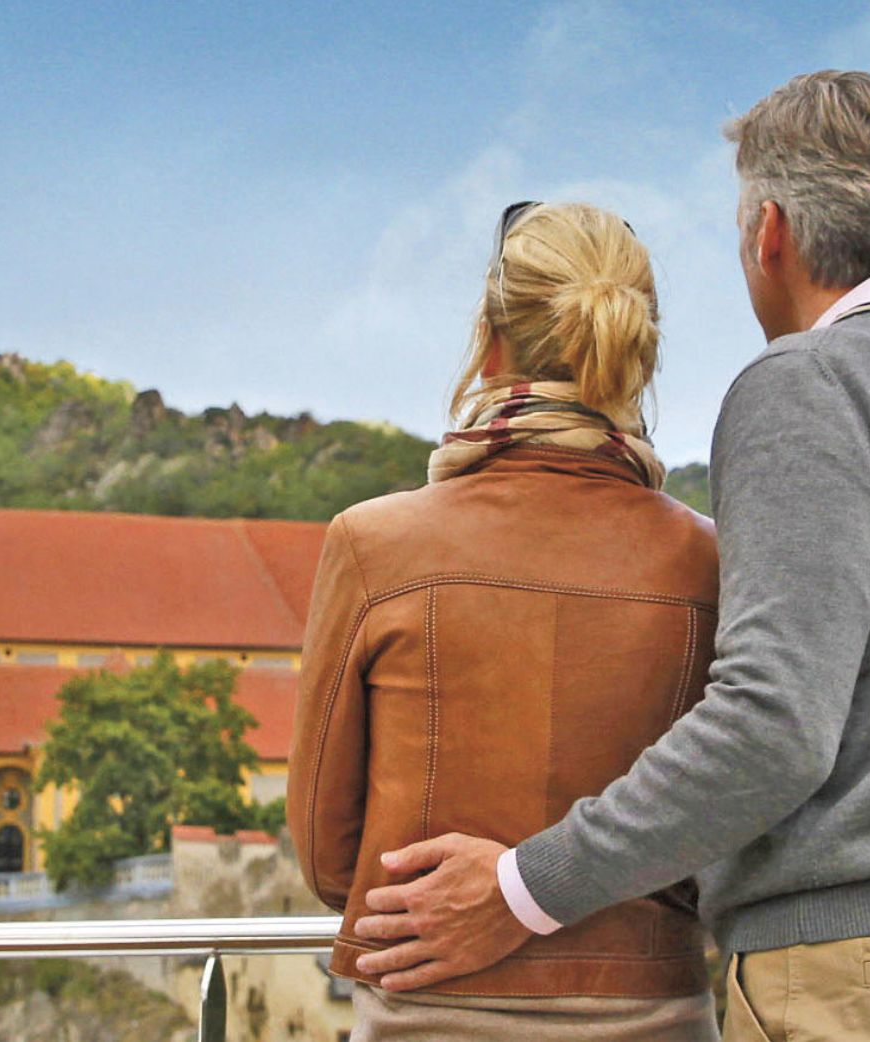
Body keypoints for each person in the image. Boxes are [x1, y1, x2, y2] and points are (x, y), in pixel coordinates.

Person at [347, 70, 870, 1041]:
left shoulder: (808, 382)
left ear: (770, 233)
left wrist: (523, 886)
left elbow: (773, 725)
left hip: (857, 990)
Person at [291, 201, 722, 1040]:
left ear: (490, 344)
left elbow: (327, 853)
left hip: (429, 1010)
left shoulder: (373, 546)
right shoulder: (711, 561)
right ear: (636, 360)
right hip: (653, 1010)